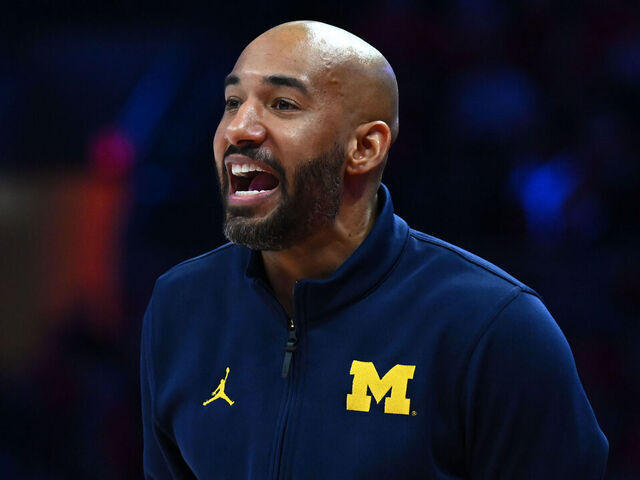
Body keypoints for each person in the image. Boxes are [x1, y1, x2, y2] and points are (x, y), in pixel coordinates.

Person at [140, 20, 608, 479]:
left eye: (282, 104)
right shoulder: (180, 306)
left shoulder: (494, 326)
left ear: (364, 147)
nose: (239, 129)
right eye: (232, 102)